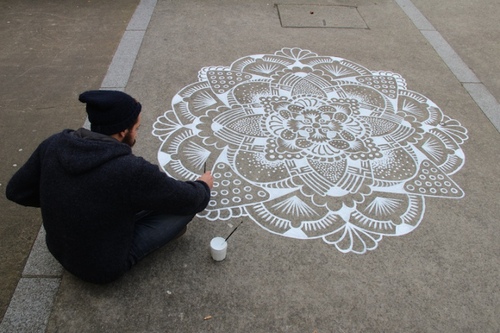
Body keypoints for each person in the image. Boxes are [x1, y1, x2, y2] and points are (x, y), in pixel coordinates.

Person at [6, 90, 213, 284]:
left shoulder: (55, 143)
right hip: (102, 267)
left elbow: (16, 191)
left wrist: (63, 197)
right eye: (137, 128)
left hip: (58, 248)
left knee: (149, 195)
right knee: (183, 210)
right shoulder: (129, 170)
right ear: (123, 132)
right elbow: (190, 199)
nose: (137, 134)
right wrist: (203, 185)